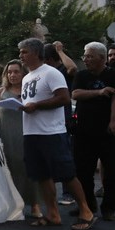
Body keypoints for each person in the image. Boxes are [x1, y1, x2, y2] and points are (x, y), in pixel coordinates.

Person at [17, 38, 96, 230]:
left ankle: (86, 211)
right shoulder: (27, 77)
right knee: (42, 174)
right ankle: (53, 214)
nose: (21, 56)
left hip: (51, 132)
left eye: (24, 52)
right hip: (31, 132)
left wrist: (36, 106)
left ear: (36, 53)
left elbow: (64, 98)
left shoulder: (51, 73)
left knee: (67, 174)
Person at [71, 42, 115, 222]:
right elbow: (76, 94)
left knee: (112, 171)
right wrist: (99, 92)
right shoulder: (81, 75)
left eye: (90, 56)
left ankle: (109, 208)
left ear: (102, 58)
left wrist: (114, 120)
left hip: (109, 131)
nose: (86, 60)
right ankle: (87, 205)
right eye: (85, 56)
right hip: (84, 131)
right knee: (83, 170)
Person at [0, 59, 41, 219]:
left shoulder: (30, 90)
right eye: (9, 72)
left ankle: (35, 204)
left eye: (16, 71)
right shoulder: (1, 91)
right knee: (11, 171)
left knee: (30, 170)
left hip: (27, 135)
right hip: (6, 136)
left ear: (23, 73)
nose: (12, 75)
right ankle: (15, 206)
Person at [43, 41, 79, 207]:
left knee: (64, 158)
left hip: (61, 122)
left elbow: (73, 69)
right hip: (44, 122)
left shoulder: (61, 71)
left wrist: (60, 51)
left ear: (49, 59)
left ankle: (68, 193)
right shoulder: (44, 73)